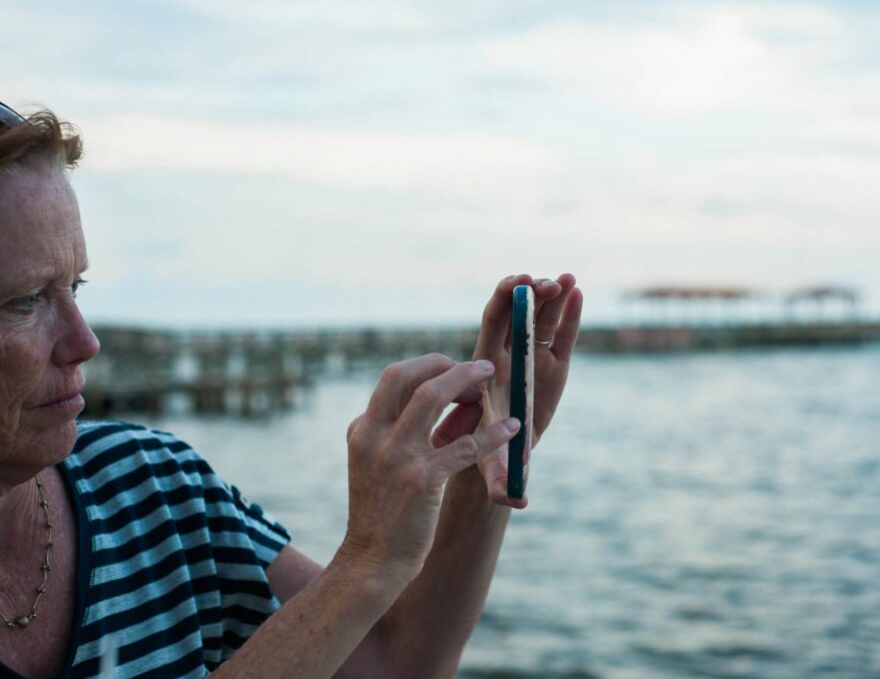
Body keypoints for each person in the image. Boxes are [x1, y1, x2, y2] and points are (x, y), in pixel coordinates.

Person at [0, 102, 583, 679]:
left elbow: (402, 663)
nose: (86, 340)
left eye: (74, 286)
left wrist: (490, 453)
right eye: (26, 300)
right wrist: (364, 562)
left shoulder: (154, 486)